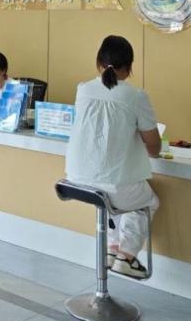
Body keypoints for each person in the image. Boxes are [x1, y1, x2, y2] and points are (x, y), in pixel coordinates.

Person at [66, 35, 161, 280]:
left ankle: (112, 249)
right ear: (129, 68)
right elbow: (154, 147)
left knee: (116, 199)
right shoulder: (136, 96)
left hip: (76, 179)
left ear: (99, 62)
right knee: (146, 202)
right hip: (111, 185)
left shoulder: (83, 89)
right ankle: (126, 258)